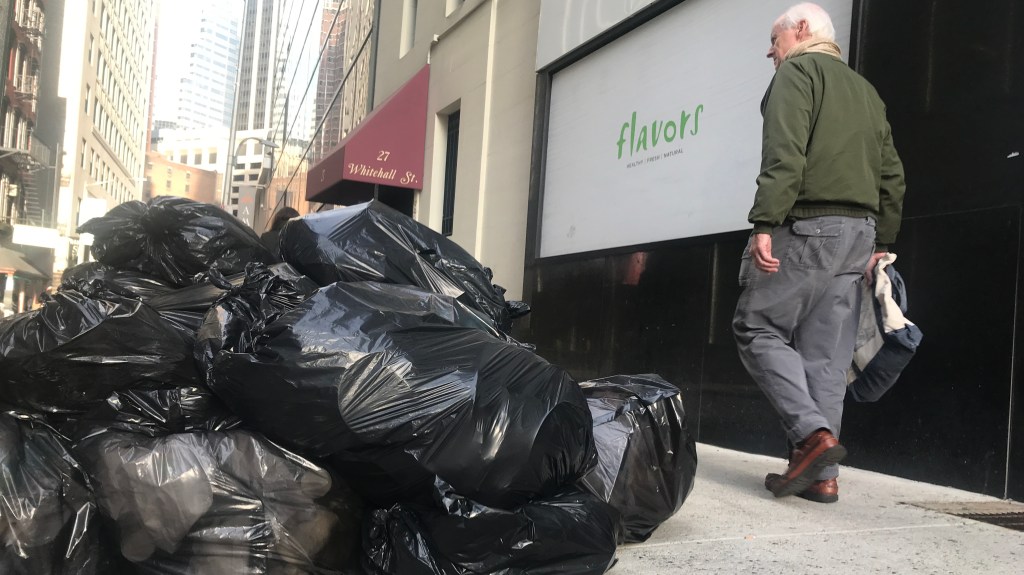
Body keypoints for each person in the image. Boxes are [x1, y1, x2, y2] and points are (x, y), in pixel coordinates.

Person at [732, 3, 906, 504]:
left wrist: (765, 221)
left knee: (757, 327)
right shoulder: (866, 92)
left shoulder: (797, 71)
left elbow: (784, 153)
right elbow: (892, 174)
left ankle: (814, 439)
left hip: (808, 226)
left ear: (801, 30)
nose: (771, 50)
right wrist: (882, 243)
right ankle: (820, 476)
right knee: (825, 358)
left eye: (774, 39)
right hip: (859, 235)